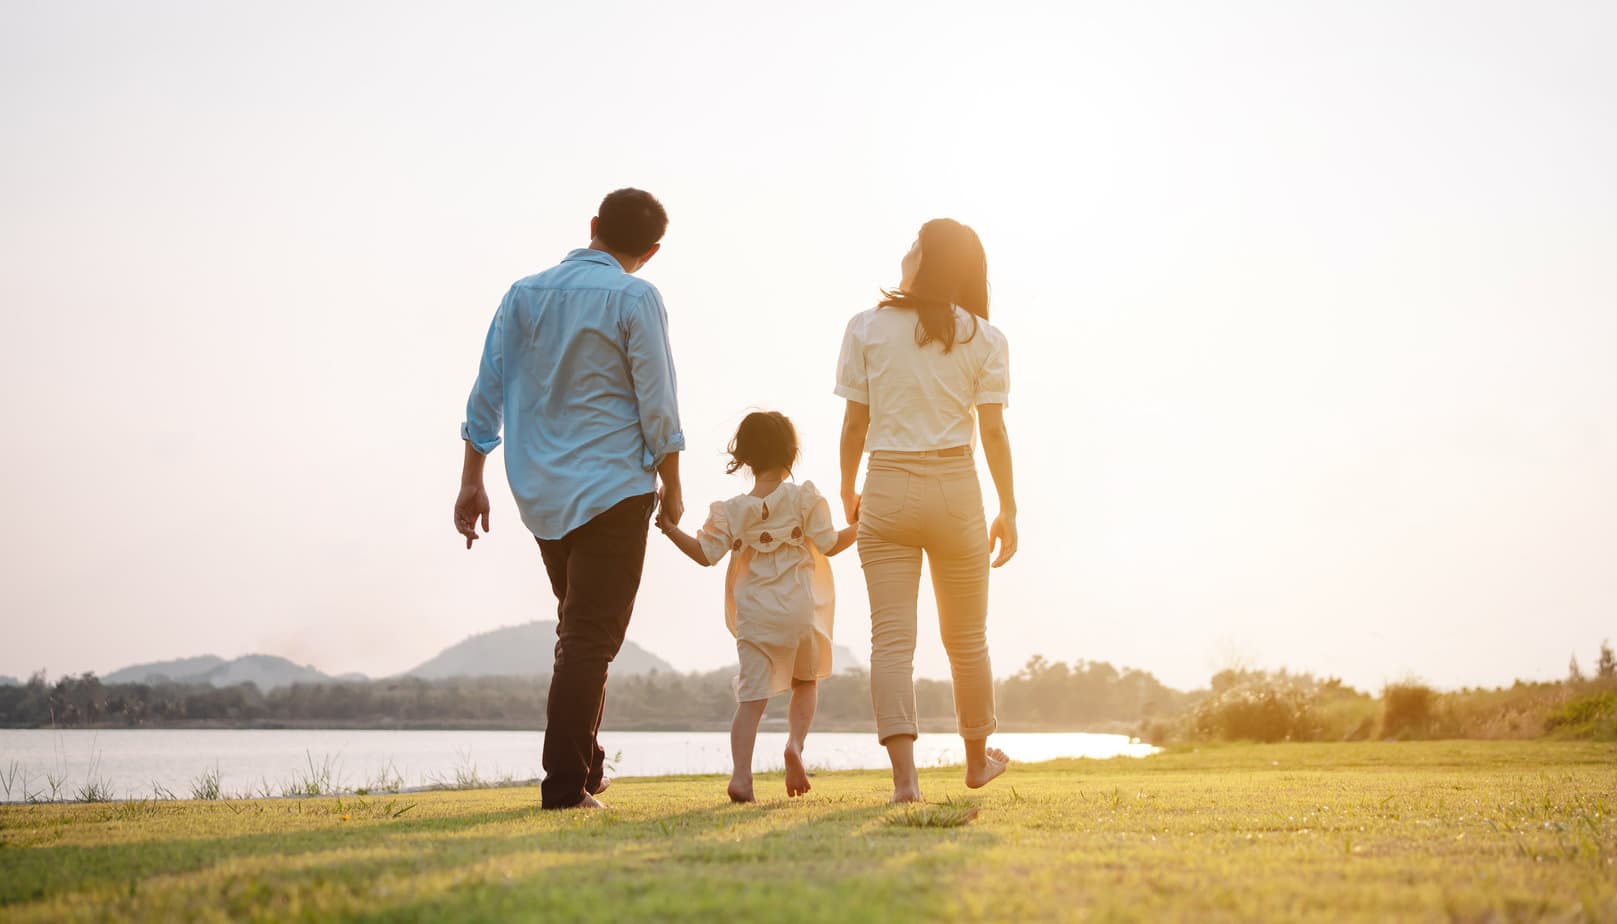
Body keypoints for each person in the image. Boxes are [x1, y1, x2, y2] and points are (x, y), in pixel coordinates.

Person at [454, 188, 684, 810]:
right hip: (615, 489)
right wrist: (675, 485)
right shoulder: (637, 296)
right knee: (588, 638)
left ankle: (586, 767)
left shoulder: (522, 294)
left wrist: (472, 478)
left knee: (580, 631)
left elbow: (487, 392)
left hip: (540, 492)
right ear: (652, 250)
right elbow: (657, 401)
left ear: (593, 227)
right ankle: (564, 788)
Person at [835, 218, 1018, 803]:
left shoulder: (865, 327)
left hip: (885, 482)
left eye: (915, 245)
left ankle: (906, 783)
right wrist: (1009, 509)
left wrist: (848, 489)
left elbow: (855, 425)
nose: (906, 253)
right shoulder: (985, 338)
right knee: (967, 639)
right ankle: (975, 760)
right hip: (956, 487)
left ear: (930, 261)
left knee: (891, 641)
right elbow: (992, 431)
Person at [658, 411, 856, 802]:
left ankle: (741, 778)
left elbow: (704, 554)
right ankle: (795, 745)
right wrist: (864, 527)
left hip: (754, 616)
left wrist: (669, 528)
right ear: (791, 454)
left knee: (750, 701)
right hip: (798, 609)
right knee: (805, 682)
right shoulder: (804, 498)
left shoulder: (731, 511)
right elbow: (830, 543)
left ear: (745, 458)